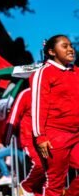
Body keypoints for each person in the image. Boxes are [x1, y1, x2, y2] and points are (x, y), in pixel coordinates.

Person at [30, 35, 79, 195]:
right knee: (55, 182)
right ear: (51, 51)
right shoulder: (43, 73)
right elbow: (38, 106)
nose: (70, 49)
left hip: (76, 134)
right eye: (64, 46)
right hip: (54, 136)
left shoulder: (76, 72)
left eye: (70, 45)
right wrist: (40, 136)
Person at [4, 87, 45, 195]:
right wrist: (8, 135)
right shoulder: (26, 93)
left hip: (48, 137)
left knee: (51, 171)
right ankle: (26, 186)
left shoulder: (50, 92)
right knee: (40, 164)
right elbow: (14, 115)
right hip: (28, 138)